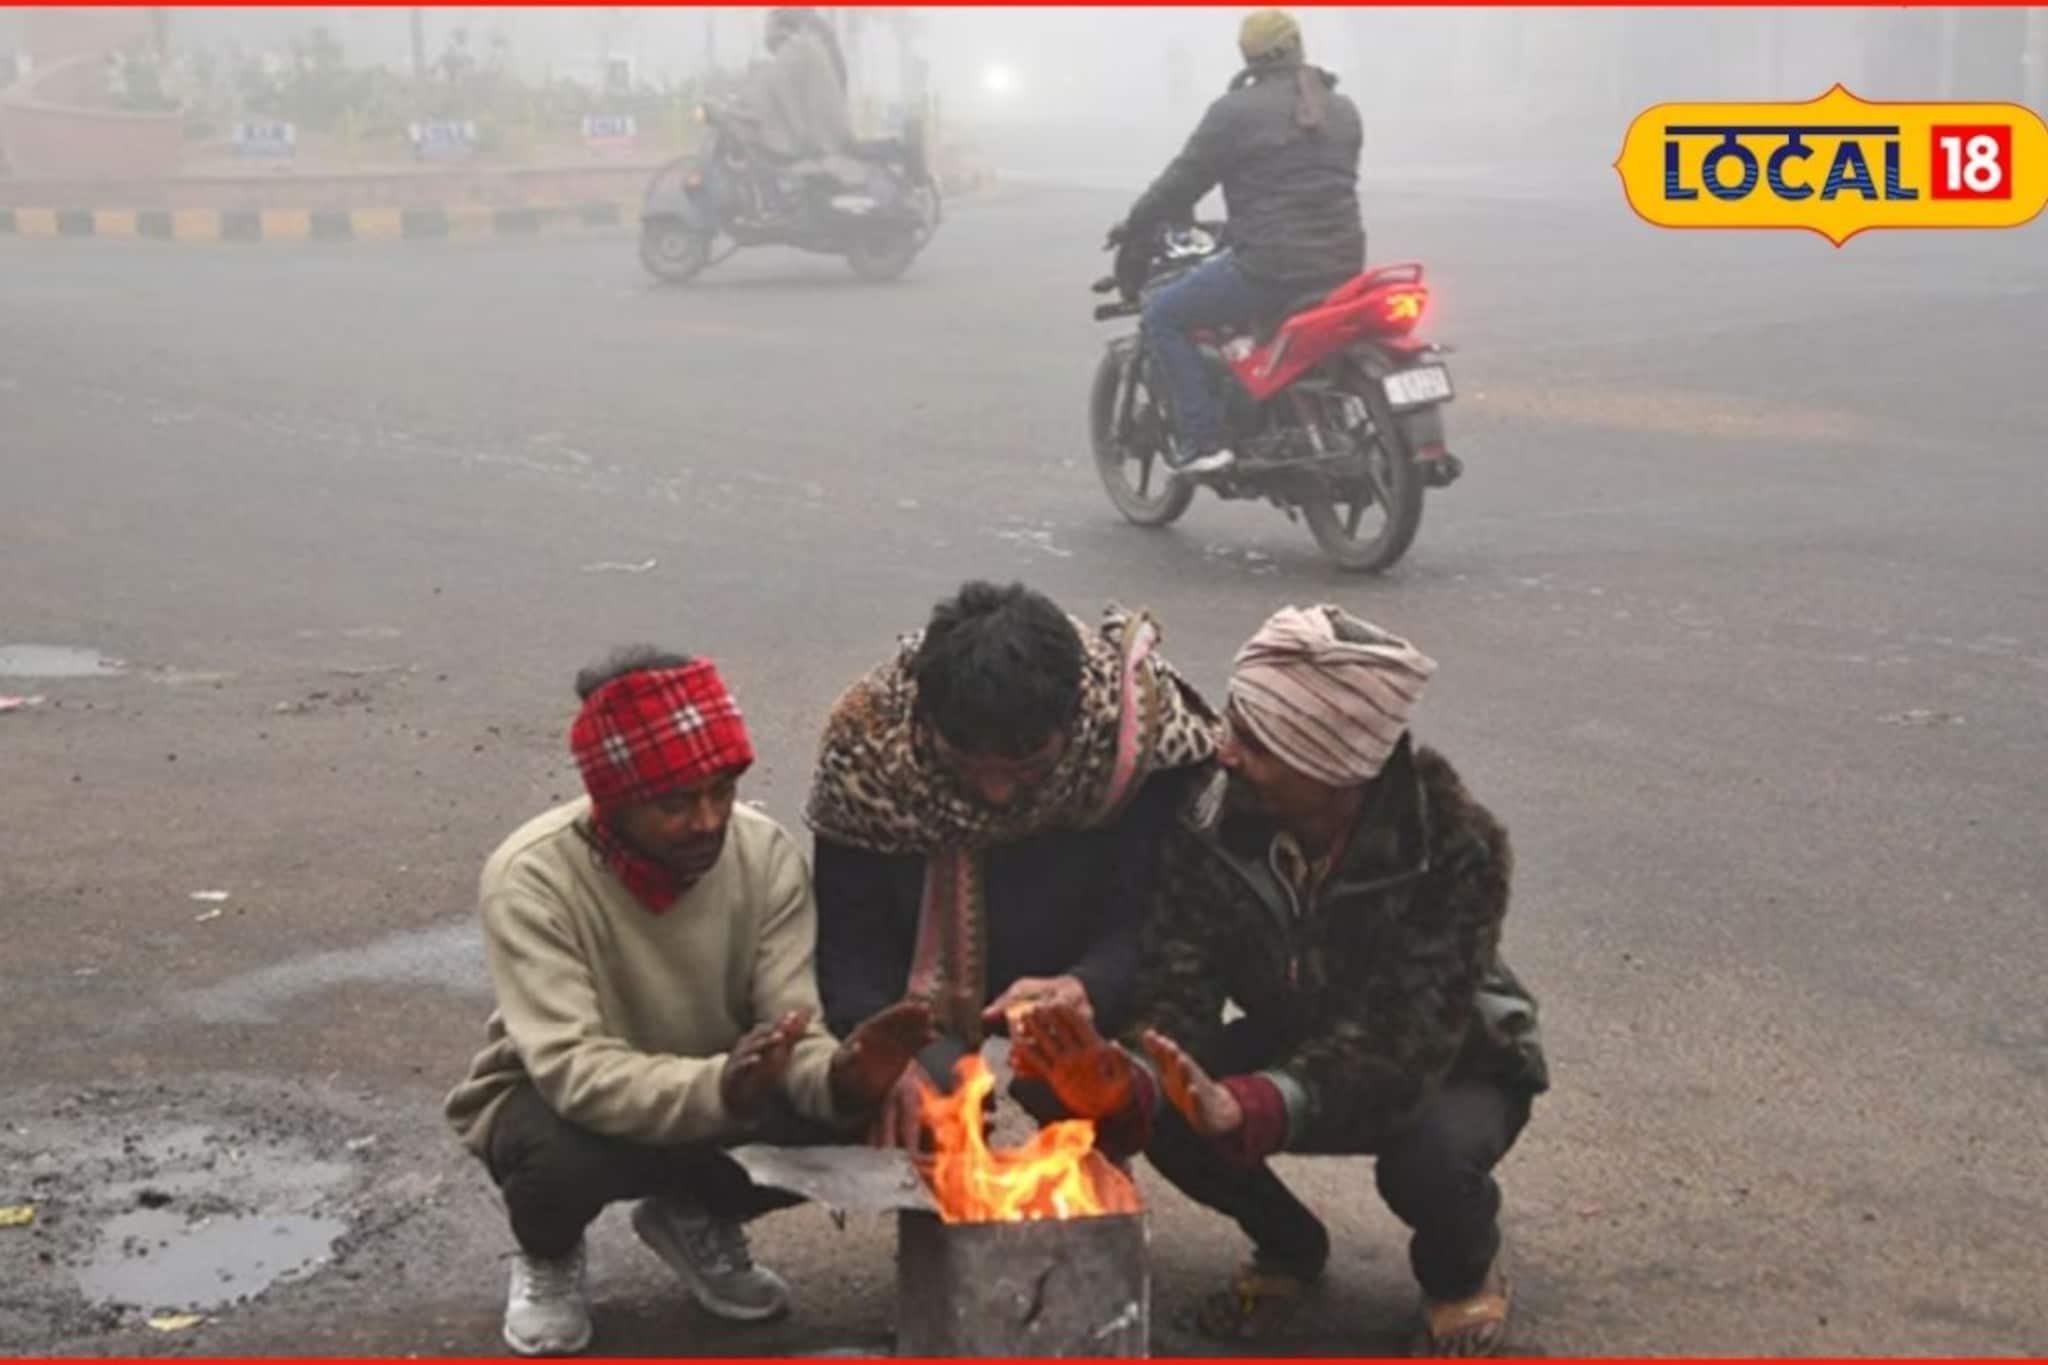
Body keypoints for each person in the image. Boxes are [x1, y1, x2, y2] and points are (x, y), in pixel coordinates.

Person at [1012, 606, 1549, 1355]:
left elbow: (1403, 1043)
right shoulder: (1211, 816)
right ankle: (1290, 1245)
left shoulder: (1456, 841)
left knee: (1424, 1161)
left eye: (1256, 743)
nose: (1225, 751)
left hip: (1452, 1052)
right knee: (1173, 1103)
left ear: (1336, 772)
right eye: (1234, 723)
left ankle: (1460, 1273)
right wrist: (1124, 1079)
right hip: (1299, 1028)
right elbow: (1178, 984)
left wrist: (1253, 1103)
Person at [445, 646, 932, 1356]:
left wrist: (846, 1077)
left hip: (730, 1081)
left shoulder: (763, 855)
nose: (708, 820)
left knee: (897, 1120)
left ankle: (692, 1213)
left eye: (722, 790)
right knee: (556, 1164)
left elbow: (791, 1023)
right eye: (675, 801)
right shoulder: (532, 876)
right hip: (569, 1103)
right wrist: (721, 1086)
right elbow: (572, 1068)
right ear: (613, 800)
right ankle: (548, 1255)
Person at [805, 581, 1219, 1146]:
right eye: (969, 765)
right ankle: (944, 1217)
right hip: (919, 985)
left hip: (1085, 958)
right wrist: (886, 1056)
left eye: (1027, 767)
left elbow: (1159, 919)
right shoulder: (867, 751)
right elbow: (851, 947)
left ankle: (1272, 1222)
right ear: (927, 725)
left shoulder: (1133, 742)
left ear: (1071, 722)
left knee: (1120, 1087)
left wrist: (1088, 985)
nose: (997, 795)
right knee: (931, 1104)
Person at [1111, 10, 1366, 477]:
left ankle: (1203, 442)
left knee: (1163, 314)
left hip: (1270, 267)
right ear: (1298, 46)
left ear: (1247, 54)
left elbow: (1182, 182)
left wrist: (1134, 223)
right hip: (1345, 264)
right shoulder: (1341, 107)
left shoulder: (1234, 113)